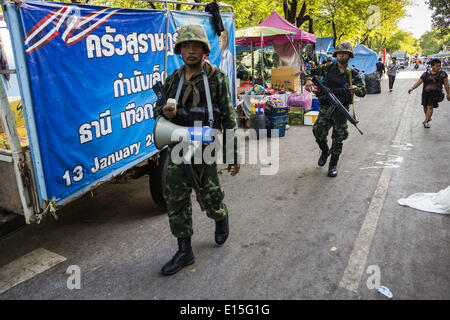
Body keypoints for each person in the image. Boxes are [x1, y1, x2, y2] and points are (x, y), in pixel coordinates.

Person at [153, 25, 240, 276]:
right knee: (176, 198)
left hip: (206, 147)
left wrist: (233, 154)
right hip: (179, 145)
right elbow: (157, 113)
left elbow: (230, 118)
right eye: (186, 46)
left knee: (210, 198)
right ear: (179, 50)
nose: (190, 51)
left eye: (196, 46)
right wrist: (163, 111)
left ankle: (220, 217)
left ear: (204, 50)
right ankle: (184, 251)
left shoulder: (217, 79)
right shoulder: (172, 80)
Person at [303, 42, 366, 177]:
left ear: (349, 56)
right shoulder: (327, 68)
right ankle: (325, 150)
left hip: (341, 111)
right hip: (326, 108)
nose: (341, 55)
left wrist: (357, 89)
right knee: (317, 131)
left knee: (338, 139)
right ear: (336, 54)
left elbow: (363, 91)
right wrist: (308, 80)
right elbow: (308, 71)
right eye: (339, 53)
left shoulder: (353, 74)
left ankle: (333, 165)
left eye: (345, 53)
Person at [408, 58, 450, 128]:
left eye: (440, 66)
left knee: (430, 107)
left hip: (436, 94)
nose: (439, 68)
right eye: (437, 66)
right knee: (425, 107)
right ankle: (428, 117)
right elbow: (419, 82)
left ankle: (426, 122)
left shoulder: (443, 74)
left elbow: (446, 85)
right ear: (431, 66)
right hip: (425, 94)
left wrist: (448, 93)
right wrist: (412, 88)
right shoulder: (425, 74)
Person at [219, 28, 236, 106]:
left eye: (222, 37)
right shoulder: (219, 56)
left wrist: (229, 102)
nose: (219, 40)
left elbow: (230, 81)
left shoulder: (228, 57)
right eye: (219, 37)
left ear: (226, 40)